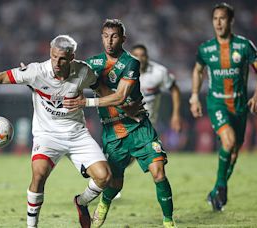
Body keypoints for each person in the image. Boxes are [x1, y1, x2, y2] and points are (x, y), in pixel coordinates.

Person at [0, 35, 112, 228]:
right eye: (53, 57)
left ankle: (81, 202)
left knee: (104, 177)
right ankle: (31, 226)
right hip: (47, 135)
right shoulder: (36, 72)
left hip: (77, 134)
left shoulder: (83, 71)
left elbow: (102, 90)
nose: (57, 63)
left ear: (72, 57)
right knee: (39, 175)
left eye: (62, 59)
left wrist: (117, 104)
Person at [64, 19, 176, 228]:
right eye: (106, 36)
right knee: (114, 185)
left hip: (139, 127)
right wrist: (37, 76)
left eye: (114, 36)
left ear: (123, 39)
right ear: (101, 37)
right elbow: (66, 76)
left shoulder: (131, 62)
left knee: (159, 172)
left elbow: (121, 97)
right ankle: (104, 203)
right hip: (112, 131)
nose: (109, 41)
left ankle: (169, 222)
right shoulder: (92, 64)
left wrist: (86, 101)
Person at [189, 2, 257, 211]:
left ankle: (215, 192)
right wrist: (195, 96)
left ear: (231, 21)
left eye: (222, 18)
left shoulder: (244, 46)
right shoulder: (206, 49)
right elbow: (197, 71)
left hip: (240, 105)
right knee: (229, 140)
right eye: (215, 18)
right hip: (217, 103)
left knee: (233, 152)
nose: (218, 22)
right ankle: (222, 187)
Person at [131, 44, 181, 132]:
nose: (140, 59)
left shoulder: (159, 72)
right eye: (136, 55)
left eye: (142, 55)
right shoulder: (122, 72)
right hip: (126, 124)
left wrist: (176, 115)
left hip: (148, 125)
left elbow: (174, 89)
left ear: (147, 57)